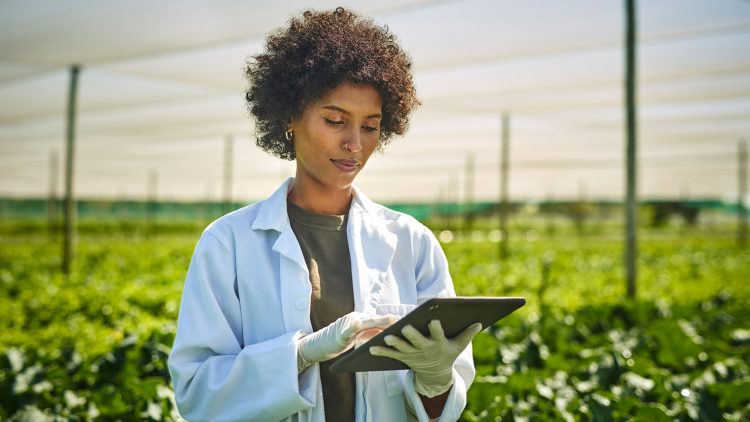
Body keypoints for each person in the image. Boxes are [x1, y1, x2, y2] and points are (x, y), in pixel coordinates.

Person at [168, 7, 482, 422]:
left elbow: (446, 403)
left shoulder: (412, 241)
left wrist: (436, 376)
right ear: (289, 118)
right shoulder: (229, 243)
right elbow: (197, 395)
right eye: (335, 120)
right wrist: (298, 356)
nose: (354, 143)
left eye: (371, 126)